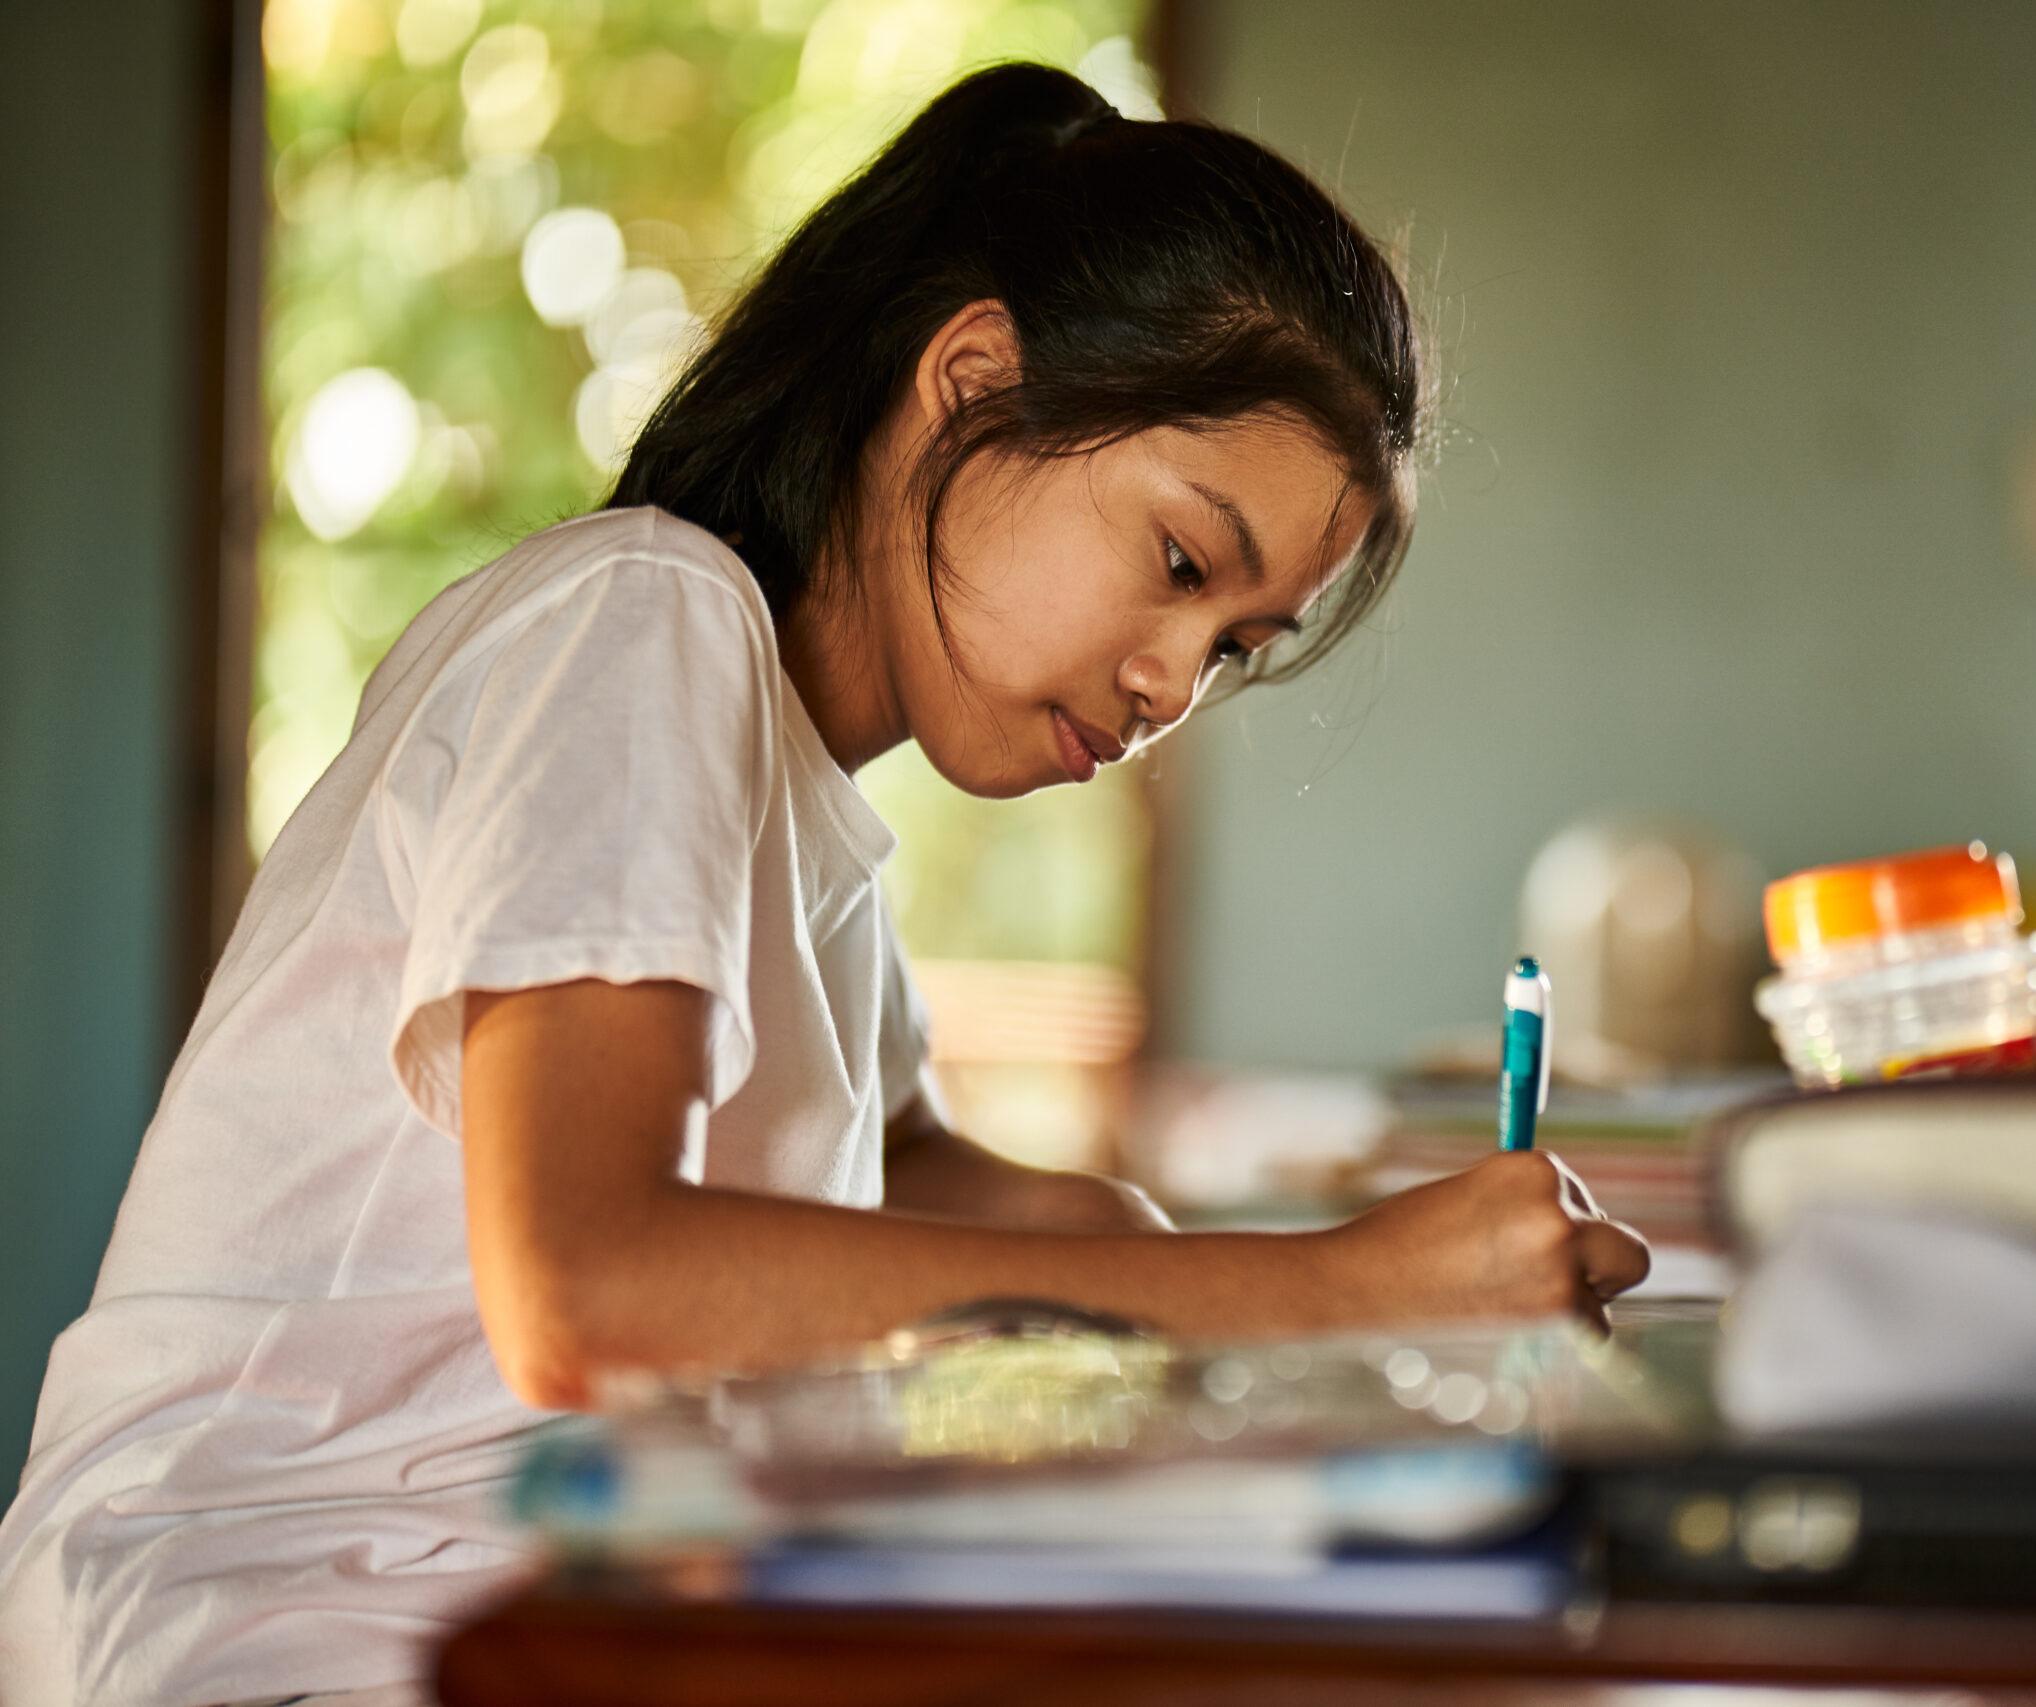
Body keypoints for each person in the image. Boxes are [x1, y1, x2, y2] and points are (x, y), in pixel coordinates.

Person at [0, 63, 1649, 1706]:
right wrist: (1327, 1291)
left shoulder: (816, 834)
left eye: (1233, 647)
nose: (1172, 686)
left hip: (535, 1614)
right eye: (1176, 563)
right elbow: (590, 1289)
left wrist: (1373, 1292)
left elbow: (957, 1199)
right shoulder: (639, 621)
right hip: (283, 1626)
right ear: (974, 378)